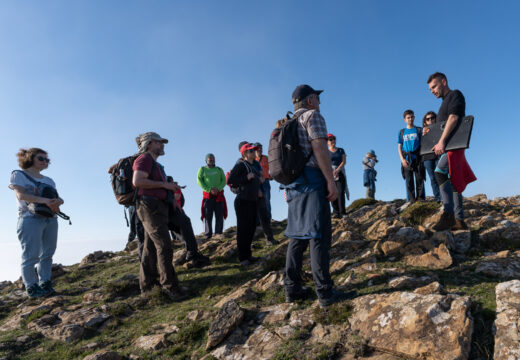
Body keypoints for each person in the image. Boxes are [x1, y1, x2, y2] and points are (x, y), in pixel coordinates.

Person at [283, 84, 355, 308]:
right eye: (318, 98)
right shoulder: (313, 116)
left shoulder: (288, 123)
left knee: (297, 237)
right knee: (319, 237)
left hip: (294, 185)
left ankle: (292, 289)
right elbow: (320, 150)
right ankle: (325, 293)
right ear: (310, 100)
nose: (320, 103)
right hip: (313, 182)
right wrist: (330, 181)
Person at [132, 132, 186, 301]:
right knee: (164, 245)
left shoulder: (153, 163)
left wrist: (169, 187)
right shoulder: (145, 159)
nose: (162, 145)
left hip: (155, 207)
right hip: (150, 206)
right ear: (149, 144)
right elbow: (138, 181)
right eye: (159, 142)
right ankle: (170, 287)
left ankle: (148, 286)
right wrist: (164, 185)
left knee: (150, 247)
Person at [9, 148, 64, 298]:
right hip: (29, 218)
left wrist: (58, 201)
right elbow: (21, 195)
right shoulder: (18, 175)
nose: (45, 162)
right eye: (41, 158)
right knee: (30, 255)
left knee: (47, 253)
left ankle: (45, 283)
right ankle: (31, 287)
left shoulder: (49, 180)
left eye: (47, 160)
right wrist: (46, 200)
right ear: (29, 158)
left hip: (50, 218)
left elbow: (58, 198)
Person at [427, 72, 476, 231]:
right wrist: (429, 134)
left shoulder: (455, 95)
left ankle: (448, 215)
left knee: (439, 172)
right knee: (453, 180)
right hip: (449, 147)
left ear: (444, 81)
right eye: (430, 89)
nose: (432, 90)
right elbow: (440, 128)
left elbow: (454, 118)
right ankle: (459, 220)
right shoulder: (442, 105)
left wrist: (441, 141)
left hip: (454, 147)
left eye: (434, 86)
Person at [227, 143, 263, 265]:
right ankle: (243, 258)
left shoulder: (255, 165)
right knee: (243, 230)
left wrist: (259, 180)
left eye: (254, 150)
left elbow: (257, 179)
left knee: (252, 228)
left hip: (253, 201)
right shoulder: (241, 165)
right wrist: (246, 178)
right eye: (251, 151)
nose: (254, 152)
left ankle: (248, 255)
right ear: (245, 154)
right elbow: (230, 180)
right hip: (242, 201)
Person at [166, 177, 210, 267]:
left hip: (170, 208)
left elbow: (180, 200)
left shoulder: (157, 168)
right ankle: (191, 254)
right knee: (183, 226)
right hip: (161, 207)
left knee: (184, 226)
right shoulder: (148, 166)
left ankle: (192, 254)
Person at [398, 109, 425, 203]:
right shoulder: (402, 132)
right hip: (406, 158)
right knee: (409, 180)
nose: (410, 119)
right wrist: (402, 159)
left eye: (412, 117)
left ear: (414, 117)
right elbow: (399, 147)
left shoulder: (419, 130)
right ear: (404, 119)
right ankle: (411, 199)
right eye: (408, 117)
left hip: (418, 157)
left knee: (419, 178)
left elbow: (425, 141)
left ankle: (421, 198)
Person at [197, 154, 227, 240]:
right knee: (208, 215)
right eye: (209, 159)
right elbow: (199, 181)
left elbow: (224, 180)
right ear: (206, 160)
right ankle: (208, 234)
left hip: (219, 195)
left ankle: (218, 232)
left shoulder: (219, 169)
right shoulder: (202, 169)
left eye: (213, 159)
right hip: (208, 196)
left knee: (219, 214)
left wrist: (218, 189)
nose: (211, 160)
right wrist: (209, 189)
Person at [421, 111, 441, 202]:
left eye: (432, 118)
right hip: (427, 157)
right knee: (432, 178)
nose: (430, 120)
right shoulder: (421, 132)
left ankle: (444, 196)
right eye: (428, 119)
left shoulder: (441, 127)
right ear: (425, 121)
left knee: (440, 176)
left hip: (438, 154)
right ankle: (437, 197)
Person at [327, 133, 348, 218]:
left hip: (340, 173)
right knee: (332, 192)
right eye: (330, 139)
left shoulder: (341, 150)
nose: (333, 141)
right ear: (327, 142)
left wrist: (338, 169)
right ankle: (336, 212)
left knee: (340, 192)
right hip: (330, 174)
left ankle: (342, 212)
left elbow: (344, 161)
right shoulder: (326, 151)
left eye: (334, 139)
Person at [254, 143, 272, 221]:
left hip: (266, 182)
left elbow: (271, 167)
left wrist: (271, 175)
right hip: (256, 183)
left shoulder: (266, 158)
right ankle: (259, 221)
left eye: (261, 148)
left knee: (267, 200)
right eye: (258, 149)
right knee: (257, 201)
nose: (260, 150)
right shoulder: (253, 160)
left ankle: (268, 218)